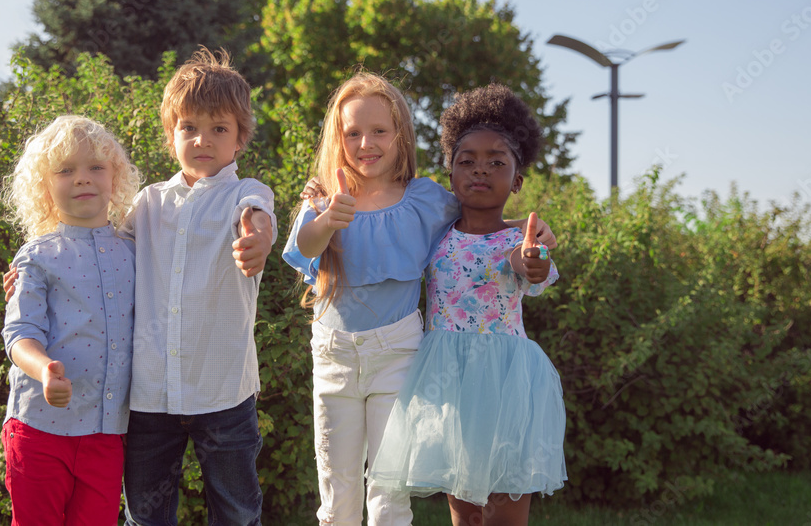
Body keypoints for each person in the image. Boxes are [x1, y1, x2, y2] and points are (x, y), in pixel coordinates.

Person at [282, 72, 555, 526]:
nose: (366, 143)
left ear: (401, 136)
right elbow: (305, 248)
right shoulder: (328, 198)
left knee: (389, 490)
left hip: (398, 352)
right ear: (337, 137)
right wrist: (328, 217)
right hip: (334, 354)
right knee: (336, 487)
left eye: (379, 130)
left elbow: (480, 212)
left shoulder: (425, 200)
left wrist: (533, 234)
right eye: (353, 132)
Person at [368, 84, 567, 526]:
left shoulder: (517, 240)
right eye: (467, 161)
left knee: (505, 511)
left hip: (504, 385)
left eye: (496, 162)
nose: (480, 170)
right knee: (466, 514)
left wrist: (534, 258)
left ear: (517, 181)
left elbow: (528, 264)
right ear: (450, 174)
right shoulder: (436, 232)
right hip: (447, 386)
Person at [120, 47, 276, 526]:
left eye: (219, 129)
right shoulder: (146, 203)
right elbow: (103, 254)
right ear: (171, 137)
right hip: (150, 393)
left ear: (240, 139)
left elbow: (258, 216)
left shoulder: (246, 193)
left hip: (223, 393)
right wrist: (41, 271)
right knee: (145, 516)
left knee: (237, 513)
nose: (202, 139)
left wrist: (259, 239)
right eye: (188, 127)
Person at [0, 115, 141, 525]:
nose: (82, 178)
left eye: (95, 167)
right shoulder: (36, 256)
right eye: (65, 170)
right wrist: (44, 369)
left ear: (115, 178)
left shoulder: (136, 252)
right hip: (39, 429)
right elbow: (20, 333)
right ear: (44, 186)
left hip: (106, 432)